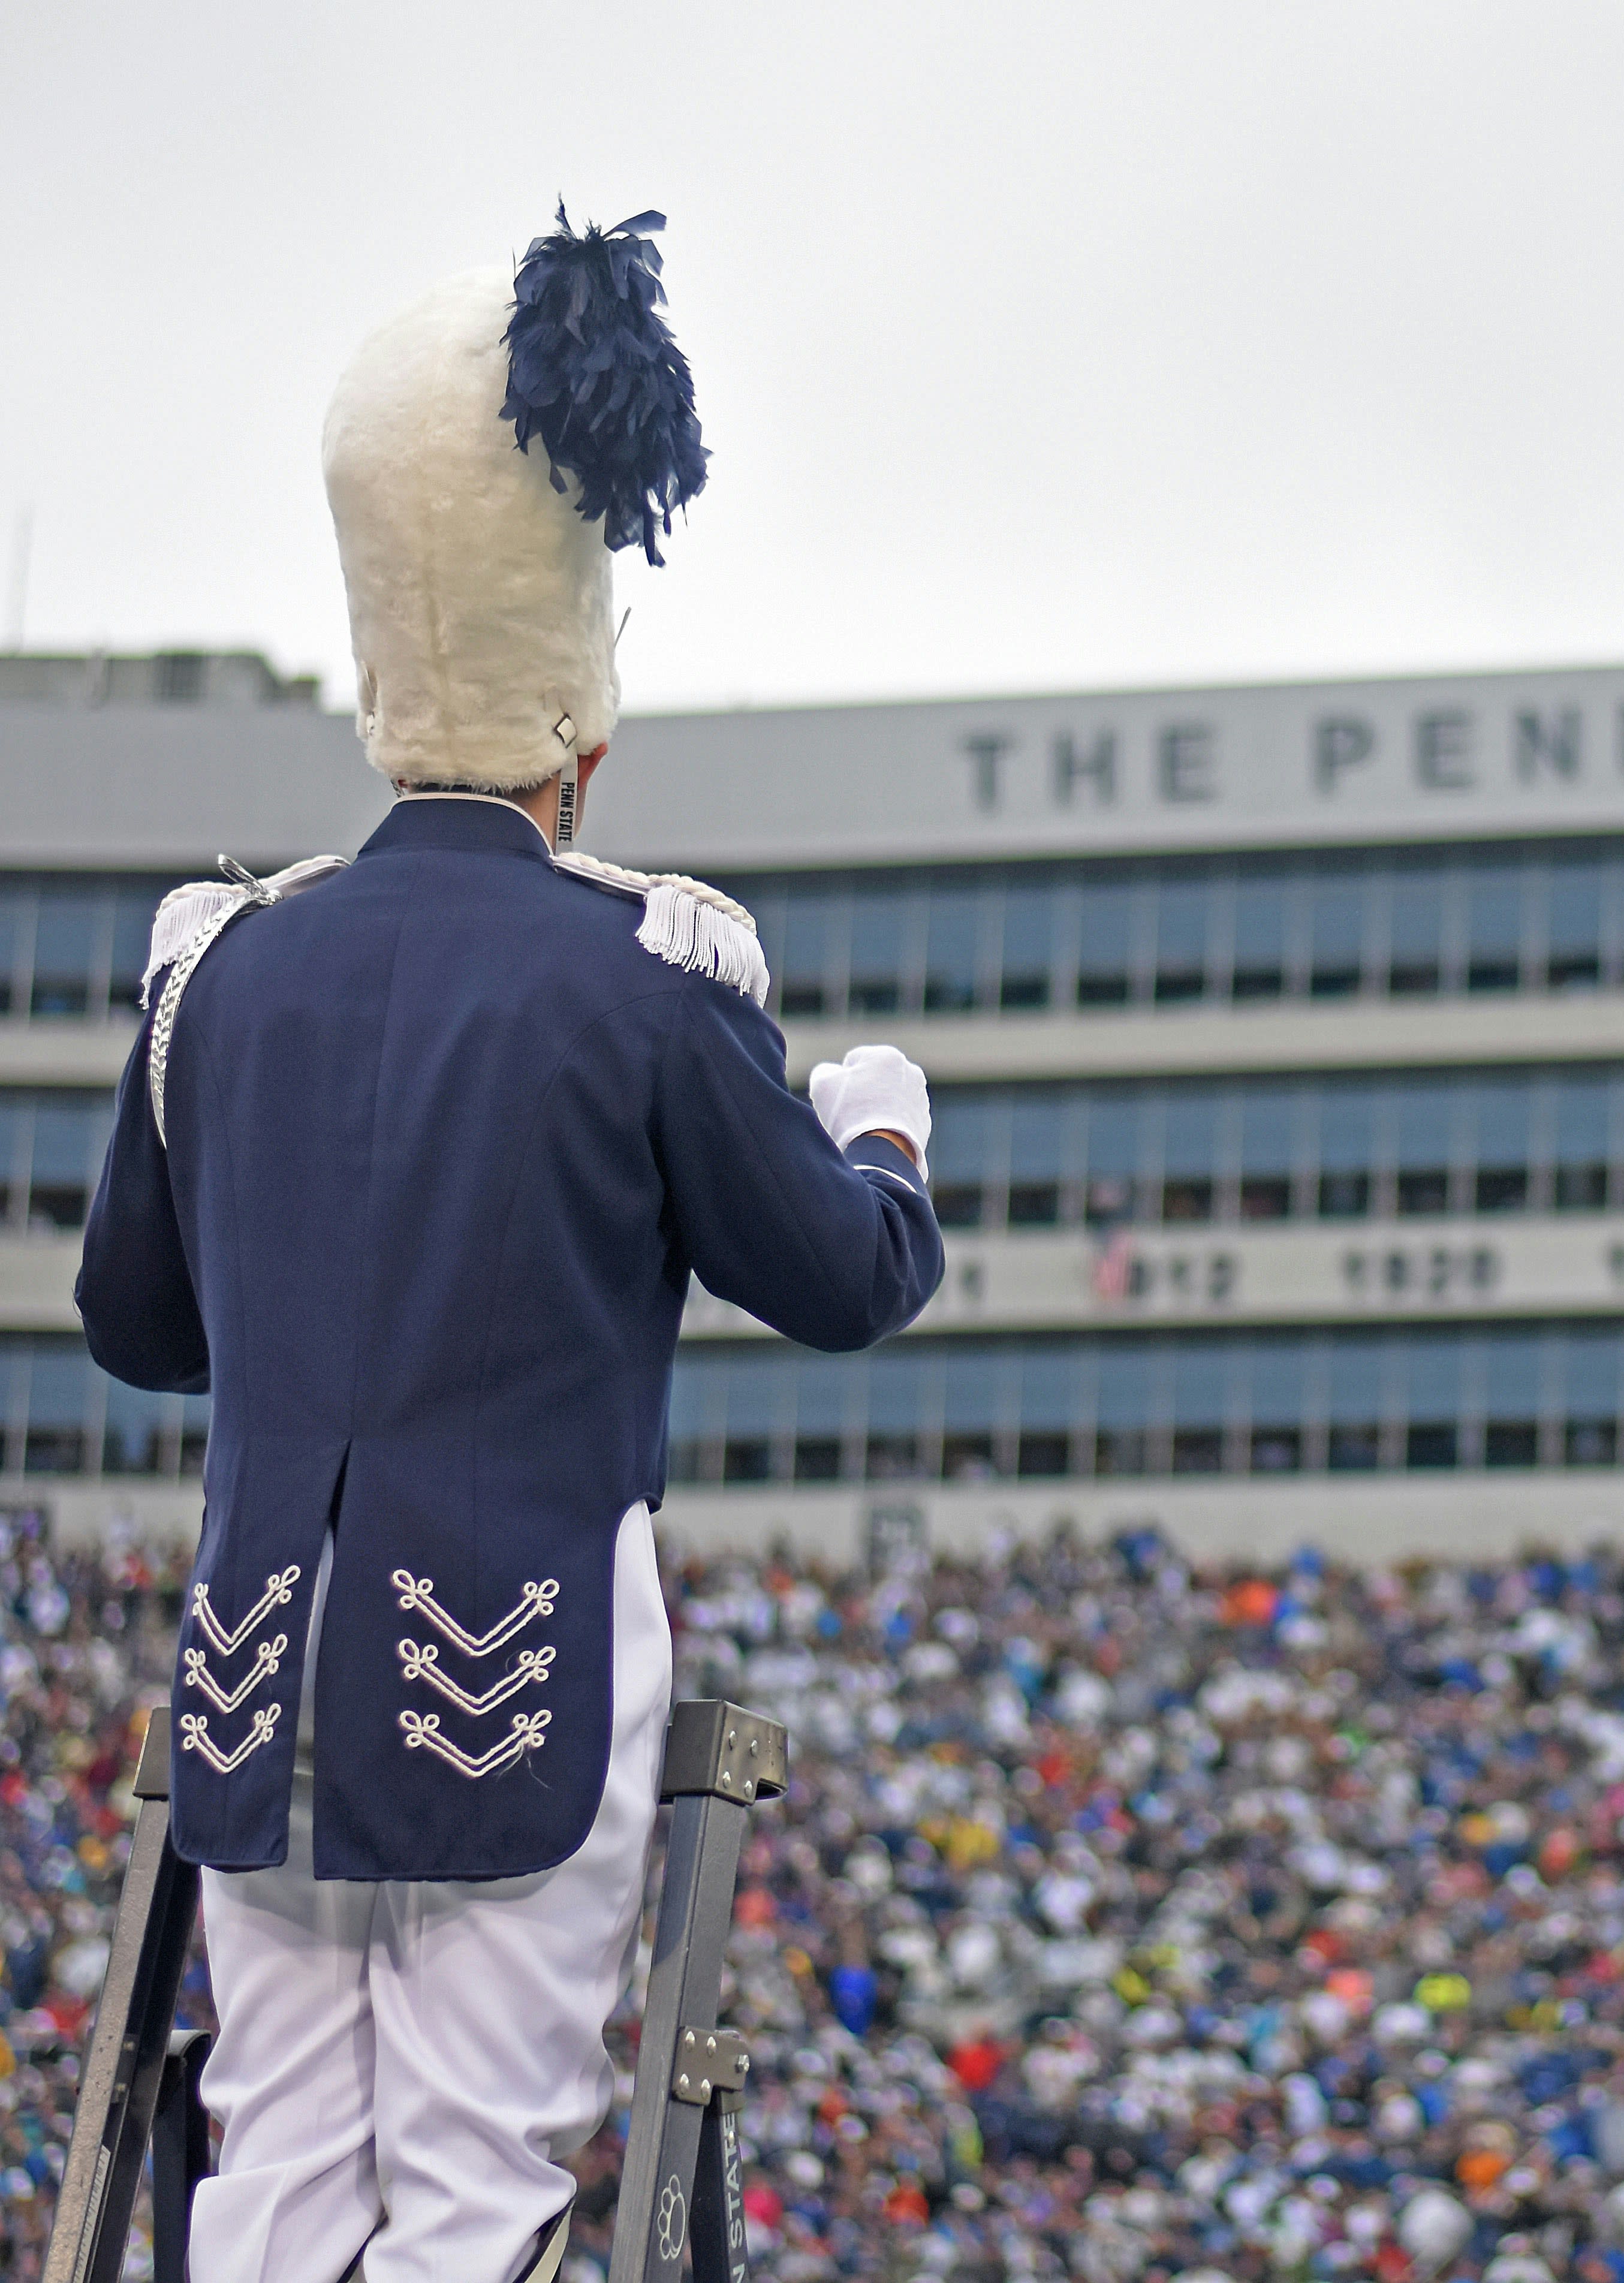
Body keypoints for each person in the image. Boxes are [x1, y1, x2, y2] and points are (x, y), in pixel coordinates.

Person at [73, 210, 945, 2283]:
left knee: (273, 2181)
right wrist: (881, 1129)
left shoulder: (228, 968)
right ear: (585, 720)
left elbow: (132, 1323)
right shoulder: (646, 972)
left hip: (258, 1663)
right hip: (514, 1658)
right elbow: (842, 1280)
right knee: (474, 2186)